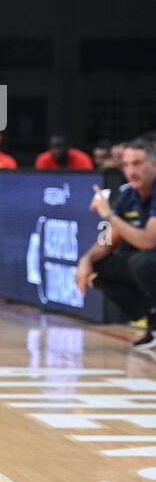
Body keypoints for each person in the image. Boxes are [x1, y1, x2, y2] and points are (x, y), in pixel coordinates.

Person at [77, 139, 156, 349]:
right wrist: (86, 260)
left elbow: (149, 241)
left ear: (154, 165)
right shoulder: (128, 195)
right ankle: (152, 322)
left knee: (142, 262)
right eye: (126, 165)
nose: (131, 170)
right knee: (100, 268)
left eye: (138, 163)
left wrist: (109, 214)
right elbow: (106, 242)